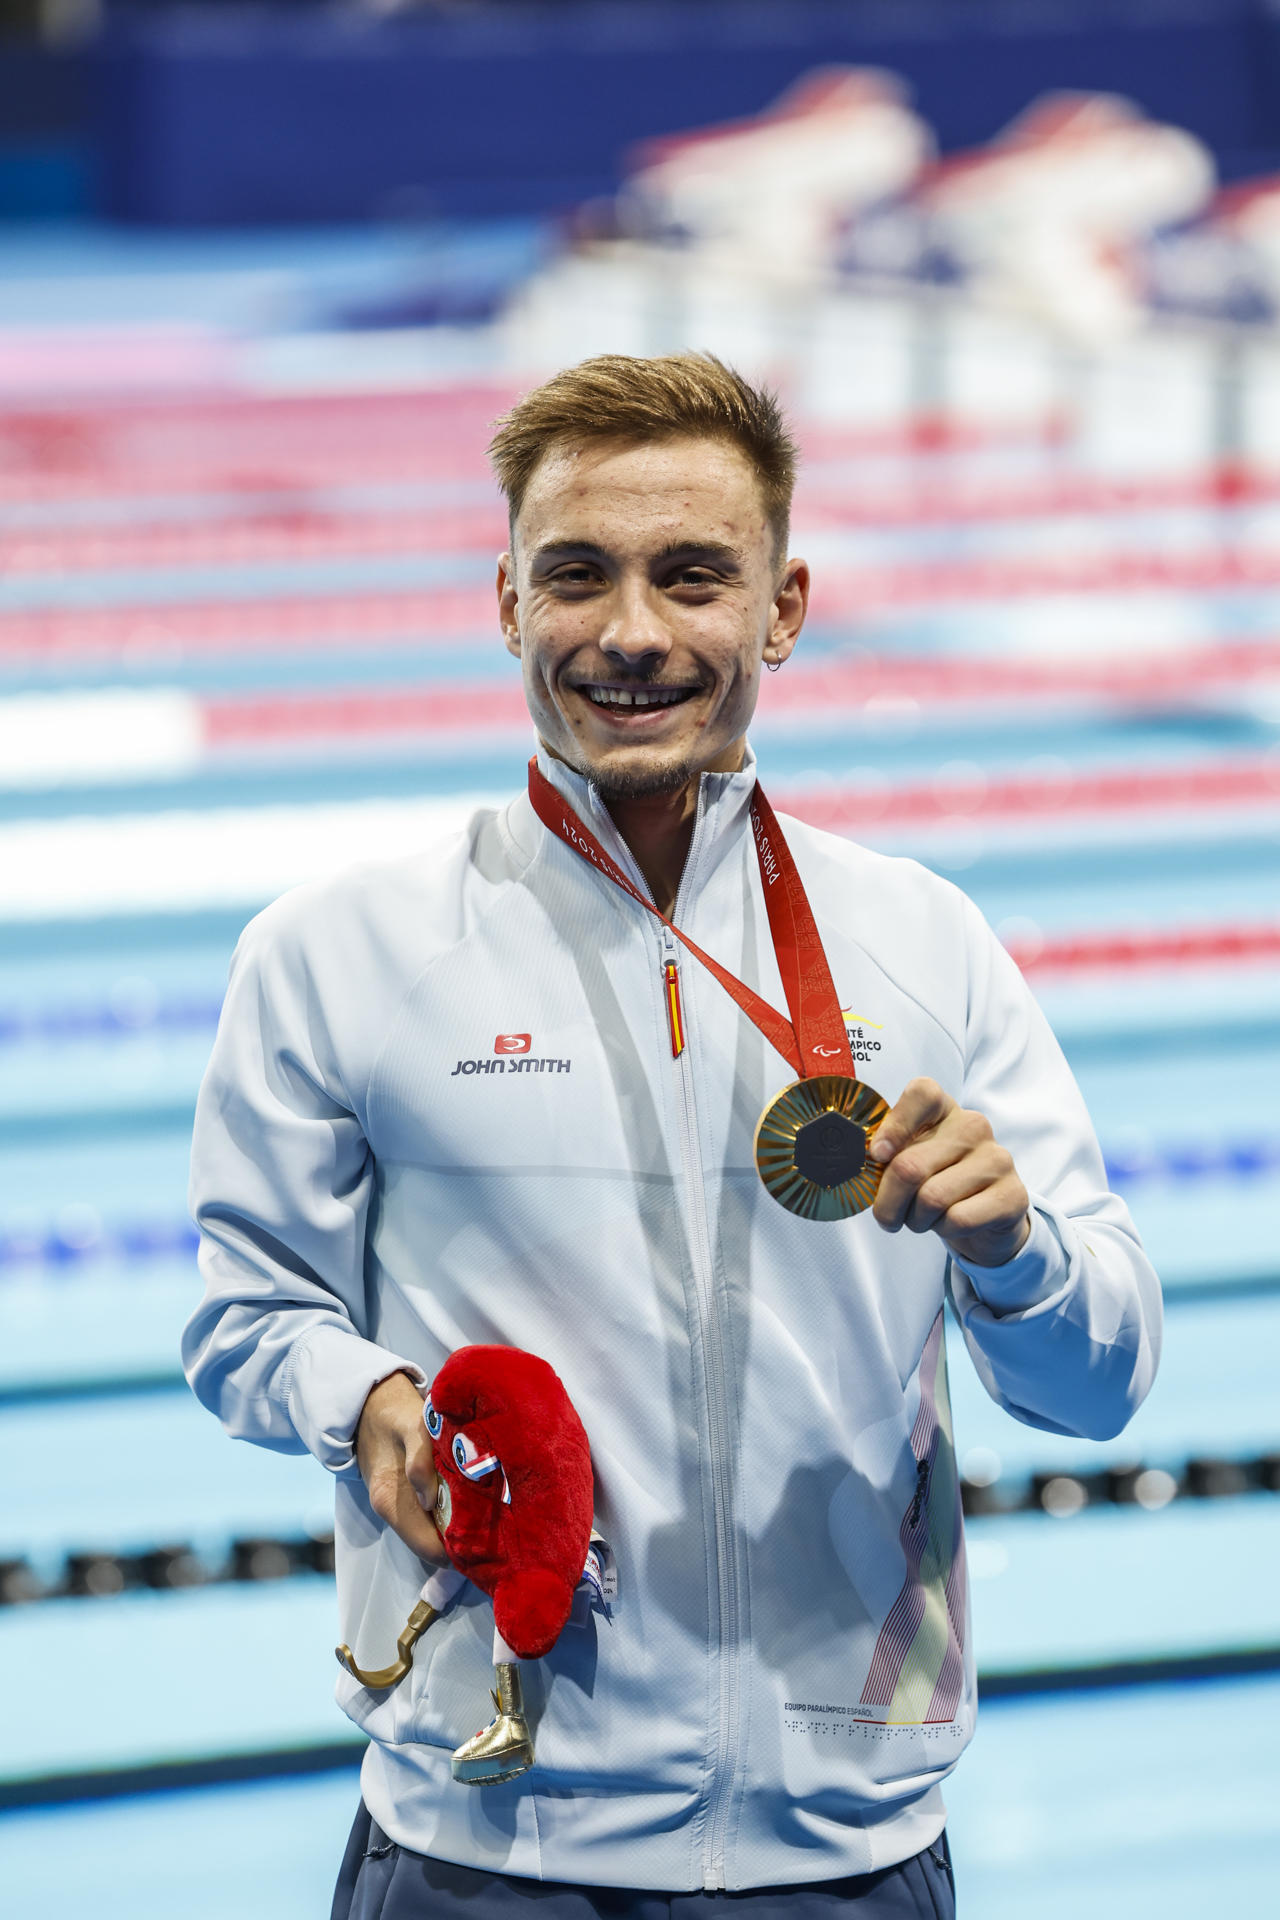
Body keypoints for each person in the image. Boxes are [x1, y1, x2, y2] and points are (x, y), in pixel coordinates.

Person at [185, 353, 1162, 1919]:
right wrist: (358, 1390)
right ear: (506, 600)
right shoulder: (336, 953)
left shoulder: (926, 940)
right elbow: (246, 1315)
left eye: (692, 575)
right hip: (484, 1841)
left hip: (845, 1848)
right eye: (578, 573)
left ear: (781, 608)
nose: (631, 632)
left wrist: (1015, 1254)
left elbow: (1101, 1385)